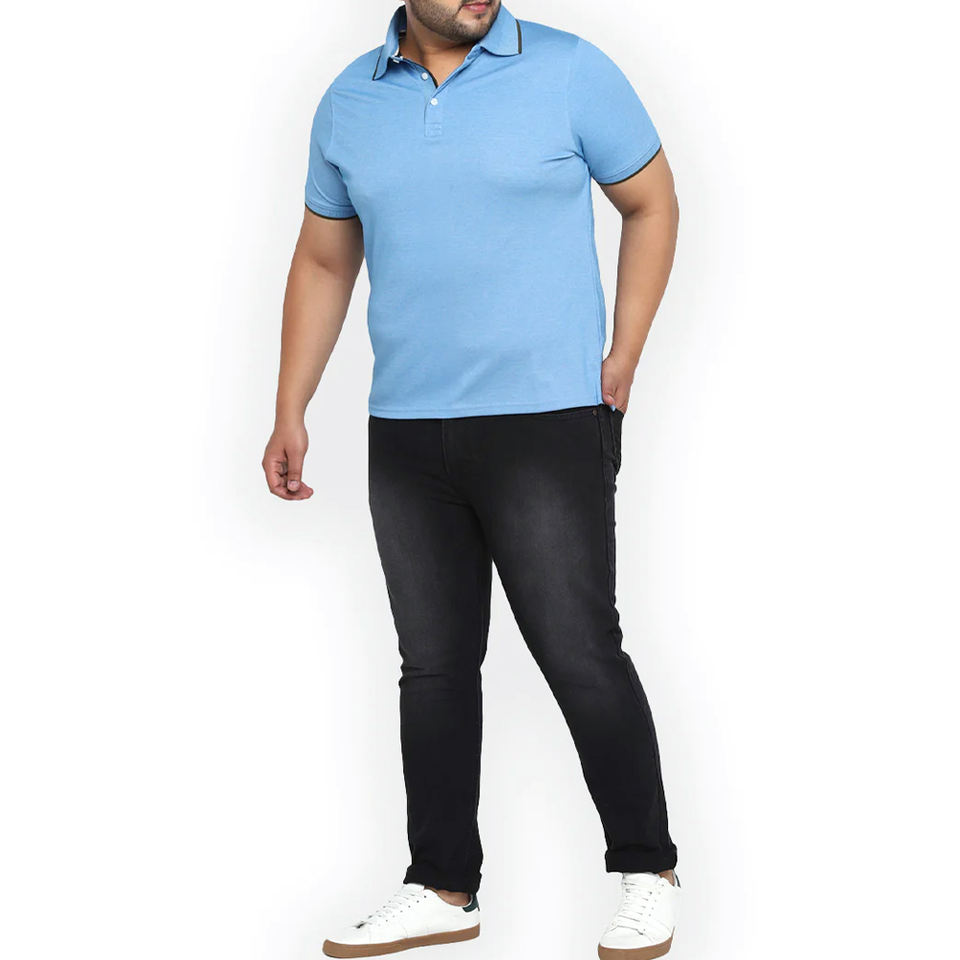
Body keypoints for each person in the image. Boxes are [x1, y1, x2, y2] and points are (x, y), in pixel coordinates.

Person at [262, 3, 681, 957]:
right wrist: (291, 406)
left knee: (579, 650)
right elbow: (324, 258)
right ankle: (444, 886)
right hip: (407, 430)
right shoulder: (350, 100)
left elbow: (652, 201)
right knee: (434, 666)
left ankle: (646, 869)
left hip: (548, 422)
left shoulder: (570, 70)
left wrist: (624, 352)